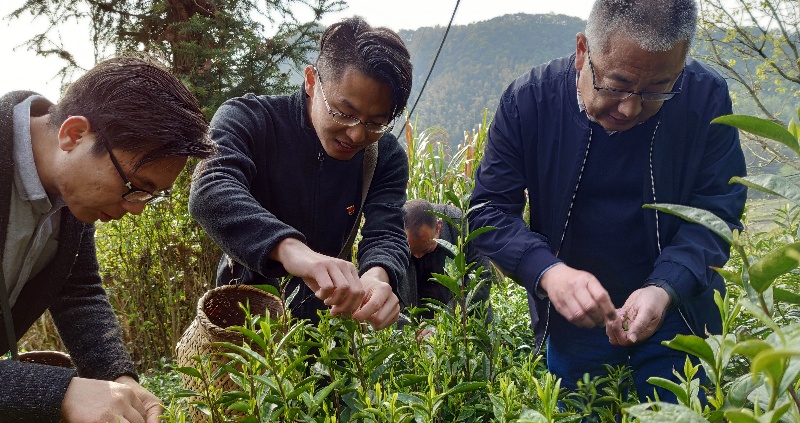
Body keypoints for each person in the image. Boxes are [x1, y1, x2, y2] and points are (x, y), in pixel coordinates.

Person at [468, 0, 747, 402]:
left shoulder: (705, 98)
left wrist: (666, 286)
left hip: (679, 315)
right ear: (583, 51)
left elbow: (717, 210)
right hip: (574, 321)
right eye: (615, 85)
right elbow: (489, 210)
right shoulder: (529, 102)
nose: (630, 108)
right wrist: (548, 272)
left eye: (658, 90)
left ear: (682, 65)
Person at [0, 57, 215, 423]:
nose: (136, 207)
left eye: (151, 195)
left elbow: (77, 290)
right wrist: (59, 392)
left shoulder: (71, 194)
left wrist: (118, 378)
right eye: (135, 184)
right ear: (74, 134)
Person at [189, 17, 413, 331]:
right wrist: (295, 252)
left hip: (327, 325)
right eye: (344, 113)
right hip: (246, 317)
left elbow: (386, 231)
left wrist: (378, 275)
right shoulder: (250, 120)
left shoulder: (384, 157)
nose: (356, 135)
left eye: (376, 122)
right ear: (311, 81)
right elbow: (211, 188)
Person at [399, 199, 492, 336]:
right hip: (418, 329)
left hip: (467, 325)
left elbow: (482, 279)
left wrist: (443, 319)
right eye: (412, 252)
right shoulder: (393, 234)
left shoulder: (462, 225)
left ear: (439, 226)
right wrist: (408, 329)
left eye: (426, 249)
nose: (418, 256)